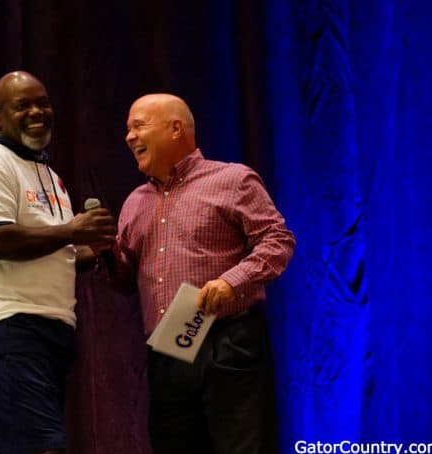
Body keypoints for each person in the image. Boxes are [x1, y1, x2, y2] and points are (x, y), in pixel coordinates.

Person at [102, 93, 296, 453]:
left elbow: (278, 241)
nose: (129, 137)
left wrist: (231, 282)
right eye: (127, 129)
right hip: (169, 349)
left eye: (138, 126)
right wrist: (103, 252)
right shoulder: (134, 202)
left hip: (227, 339)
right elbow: (125, 281)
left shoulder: (233, 180)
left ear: (175, 128)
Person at [0, 71, 116, 454]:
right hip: (5, 330)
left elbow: (52, 253)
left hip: (45, 336)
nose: (37, 112)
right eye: (22, 105)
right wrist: (72, 232)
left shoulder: (49, 175)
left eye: (43, 103)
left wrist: (101, 252)